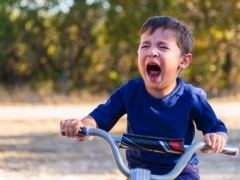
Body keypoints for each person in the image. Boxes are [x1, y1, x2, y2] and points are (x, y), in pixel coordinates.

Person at [60, 16, 228, 179]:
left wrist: (216, 138)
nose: (152, 52)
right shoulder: (130, 92)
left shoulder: (192, 97)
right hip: (137, 171)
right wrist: (81, 126)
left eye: (162, 47)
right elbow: (98, 118)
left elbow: (216, 127)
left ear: (183, 61)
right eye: (145, 45)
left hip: (179, 172)